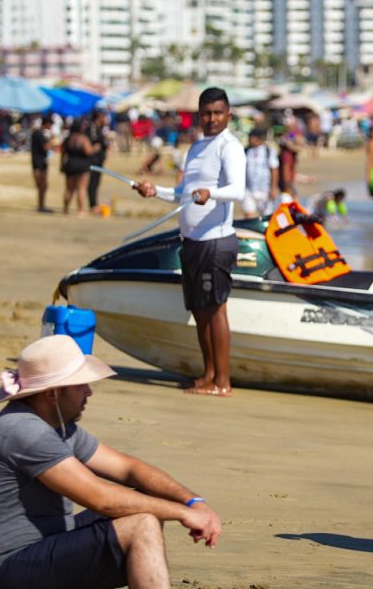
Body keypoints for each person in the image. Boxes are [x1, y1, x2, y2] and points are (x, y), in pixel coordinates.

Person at [0, 335, 240, 589]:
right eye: (81, 386)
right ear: (52, 394)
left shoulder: (57, 425)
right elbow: (101, 500)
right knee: (140, 523)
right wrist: (181, 515)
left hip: (41, 550)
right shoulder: (23, 432)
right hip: (6, 574)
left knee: (144, 504)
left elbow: (129, 469)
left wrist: (192, 502)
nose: (90, 392)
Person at [135, 88, 247, 396]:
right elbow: (184, 193)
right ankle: (208, 374)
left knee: (215, 310)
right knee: (199, 310)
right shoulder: (197, 148)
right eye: (206, 113)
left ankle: (223, 382)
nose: (211, 119)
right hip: (193, 241)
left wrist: (212, 193)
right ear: (198, 115)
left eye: (217, 113)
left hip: (216, 242)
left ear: (228, 115)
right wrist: (153, 190)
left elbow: (237, 191)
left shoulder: (230, 147)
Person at [60, 120, 98, 216]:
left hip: (70, 164)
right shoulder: (83, 138)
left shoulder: (68, 138)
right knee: (82, 188)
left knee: (69, 189)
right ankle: (80, 210)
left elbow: (63, 153)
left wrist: (61, 165)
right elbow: (88, 151)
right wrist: (95, 148)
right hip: (82, 165)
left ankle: (65, 209)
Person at [241, 128, 276, 218]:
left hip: (265, 190)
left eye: (251, 138)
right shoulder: (246, 151)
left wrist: (273, 188)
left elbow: (274, 170)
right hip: (249, 190)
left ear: (257, 138)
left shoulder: (268, 151)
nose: (249, 140)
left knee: (267, 217)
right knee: (249, 216)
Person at [85, 108, 111, 212]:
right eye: (103, 116)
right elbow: (93, 141)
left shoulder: (101, 128)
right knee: (92, 182)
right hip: (93, 160)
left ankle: (94, 203)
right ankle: (92, 204)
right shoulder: (92, 128)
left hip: (99, 159)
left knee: (96, 182)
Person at [29, 117, 54, 213]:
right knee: (42, 185)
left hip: (38, 162)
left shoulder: (37, 133)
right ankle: (41, 206)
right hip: (40, 163)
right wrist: (52, 139)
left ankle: (41, 205)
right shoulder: (40, 134)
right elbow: (46, 147)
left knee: (42, 186)